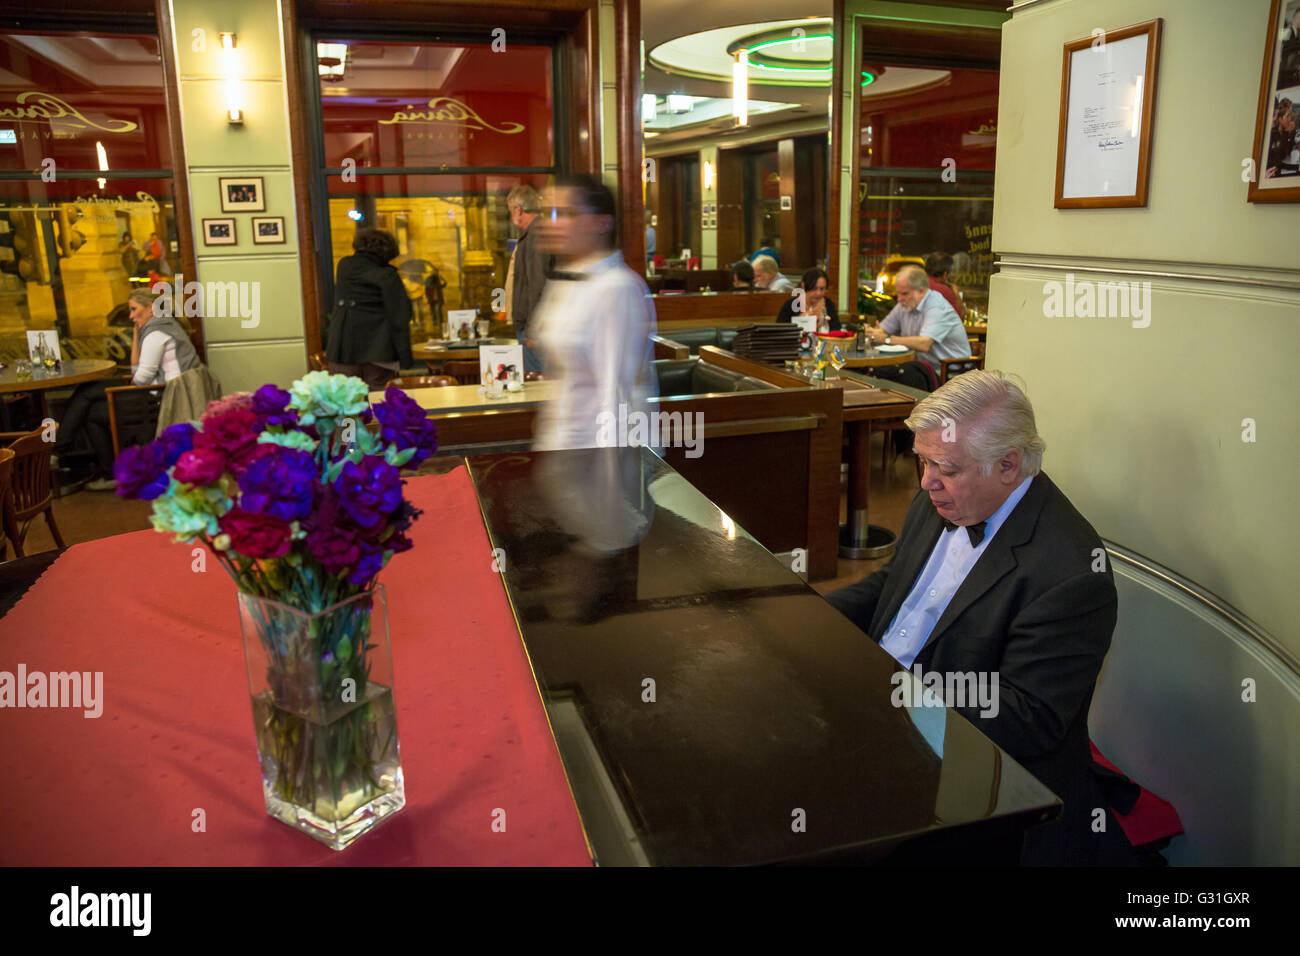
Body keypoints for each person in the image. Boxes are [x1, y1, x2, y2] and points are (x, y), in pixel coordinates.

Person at [826, 370, 1136, 866]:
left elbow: (1026, 719)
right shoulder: (944, 493)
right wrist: (809, 616)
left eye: (943, 467)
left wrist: (890, 700)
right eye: (922, 461)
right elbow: (894, 586)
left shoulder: (1073, 576)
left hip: (973, 781)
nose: (926, 481)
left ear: (1009, 465)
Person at [530, 173, 657, 452]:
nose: (550, 222)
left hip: (600, 454)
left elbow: (617, 395)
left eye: (565, 213)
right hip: (564, 446)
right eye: (546, 212)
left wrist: (610, 477)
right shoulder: (566, 279)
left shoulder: (617, 287)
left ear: (602, 222)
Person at [52, 289, 200, 491]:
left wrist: (129, 386)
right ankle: (84, 463)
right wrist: (137, 333)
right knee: (88, 401)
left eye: (134, 309)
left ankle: (59, 452)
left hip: (160, 402)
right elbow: (136, 371)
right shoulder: (162, 327)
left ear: (150, 308)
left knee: (88, 399)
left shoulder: (157, 333)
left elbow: (140, 379)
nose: (130, 316)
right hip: (157, 394)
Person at [326, 227, 413, 389]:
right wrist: (405, 358)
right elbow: (399, 316)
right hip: (379, 351)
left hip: (343, 348)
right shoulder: (387, 275)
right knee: (376, 402)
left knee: (344, 403)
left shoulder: (344, 266)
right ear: (388, 251)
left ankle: (349, 417)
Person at [866, 264, 970, 383]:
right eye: (898, 293)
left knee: (891, 378)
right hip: (922, 368)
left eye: (904, 294)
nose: (899, 299)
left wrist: (887, 339)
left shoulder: (936, 306)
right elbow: (883, 330)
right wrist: (873, 332)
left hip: (951, 374)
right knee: (874, 372)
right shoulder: (905, 304)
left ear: (921, 291)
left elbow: (924, 344)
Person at [505, 184, 551, 374]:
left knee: (537, 388)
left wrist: (532, 331)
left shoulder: (535, 236)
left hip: (534, 330)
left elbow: (537, 285)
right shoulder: (536, 234)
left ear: (518, 210)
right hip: (535, 327)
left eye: (510, 211)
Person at [775, 266, 840, 331]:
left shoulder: (828, 304)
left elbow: (836, 330)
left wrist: (823, 321)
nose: (818, 293)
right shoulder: (791, 305)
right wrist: (802, 320)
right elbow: (780, 331)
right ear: (803, 286)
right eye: (814, 288)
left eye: (822, 289)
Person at [924, 252, 966, 320]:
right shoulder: (943, 290)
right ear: (945, 274)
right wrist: (956, 293)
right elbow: (960, 318)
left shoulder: (917, 282)